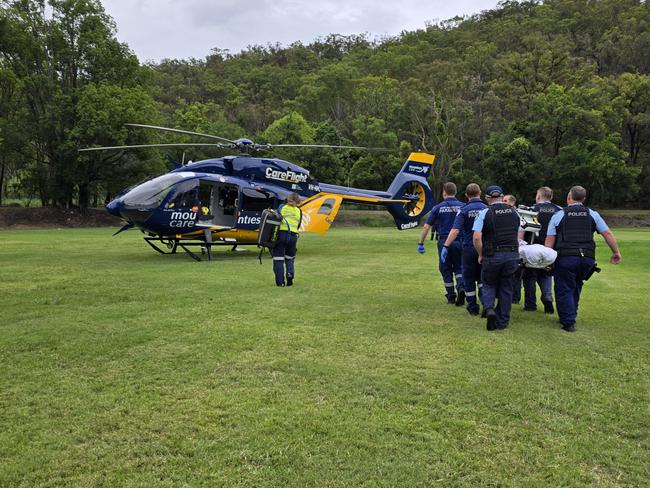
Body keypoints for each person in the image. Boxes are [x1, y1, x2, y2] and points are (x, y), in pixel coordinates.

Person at [545, 186, 621, 332]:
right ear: (584, 199)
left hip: (566, 257)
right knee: (576, 285)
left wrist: (547, 261)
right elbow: (607, 233)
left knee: (564, 288)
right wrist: (616, 252)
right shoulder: (592, 214)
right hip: (587, 258)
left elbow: (550, 240)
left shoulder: (559, 215)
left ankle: (568, 321)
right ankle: (571, 314)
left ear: (568, 197)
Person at [472, 185, 521, 331]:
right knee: (506, 288)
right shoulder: (515, 212)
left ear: (487, 198)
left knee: (488, 284)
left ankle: (489, 309)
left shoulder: (485, 212)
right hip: (512, 255)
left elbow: (476, 237)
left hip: (493, 255)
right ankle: (502, 321)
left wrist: (481, 253)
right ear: (502, 196)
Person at [442, 183, 487, 316]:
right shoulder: (487, 208)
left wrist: (446, 245)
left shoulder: (464, 210)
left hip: (468, 248)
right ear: (480, 193)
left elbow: (455, 230)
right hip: (483, 248)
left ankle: (472, 308)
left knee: (468, 278)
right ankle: (486, 304)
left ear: (466, 195)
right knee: (482, 278)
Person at [417, 182, 465, 305]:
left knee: (445, 268)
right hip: (460, 241)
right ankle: (461, 287)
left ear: (444, 192)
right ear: (455, 192)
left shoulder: (437, 208)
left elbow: (426, 227)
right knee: (459, 266)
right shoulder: (464, 206)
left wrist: (421, 243)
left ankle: (451, 295)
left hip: (444, 241)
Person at [522, 187, 562, 313]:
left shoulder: (531, 210)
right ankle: (547, 298)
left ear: (538, 197)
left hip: (532, 247)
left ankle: (530, 304)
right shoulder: (559, 210)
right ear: (551, 197)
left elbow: (522, 229)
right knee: (547, 274)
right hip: (550, 248)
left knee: (529, 277)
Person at [273, 193, 303, 287]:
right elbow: (298, 225)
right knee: (290, 258)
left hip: (282, 235)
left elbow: (275, 218)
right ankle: (290, 274)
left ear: (288, 199)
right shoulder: (299, 211)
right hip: (293, 236)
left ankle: (280, 282)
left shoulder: (282, 207)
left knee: (278, 259)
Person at [503, 194, 523, 304]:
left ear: (512, 202)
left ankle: (515, 297)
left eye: (505, 200)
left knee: (516, 275)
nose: (503, 202)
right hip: (506, 247)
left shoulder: (517, 214)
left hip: (516, 247)